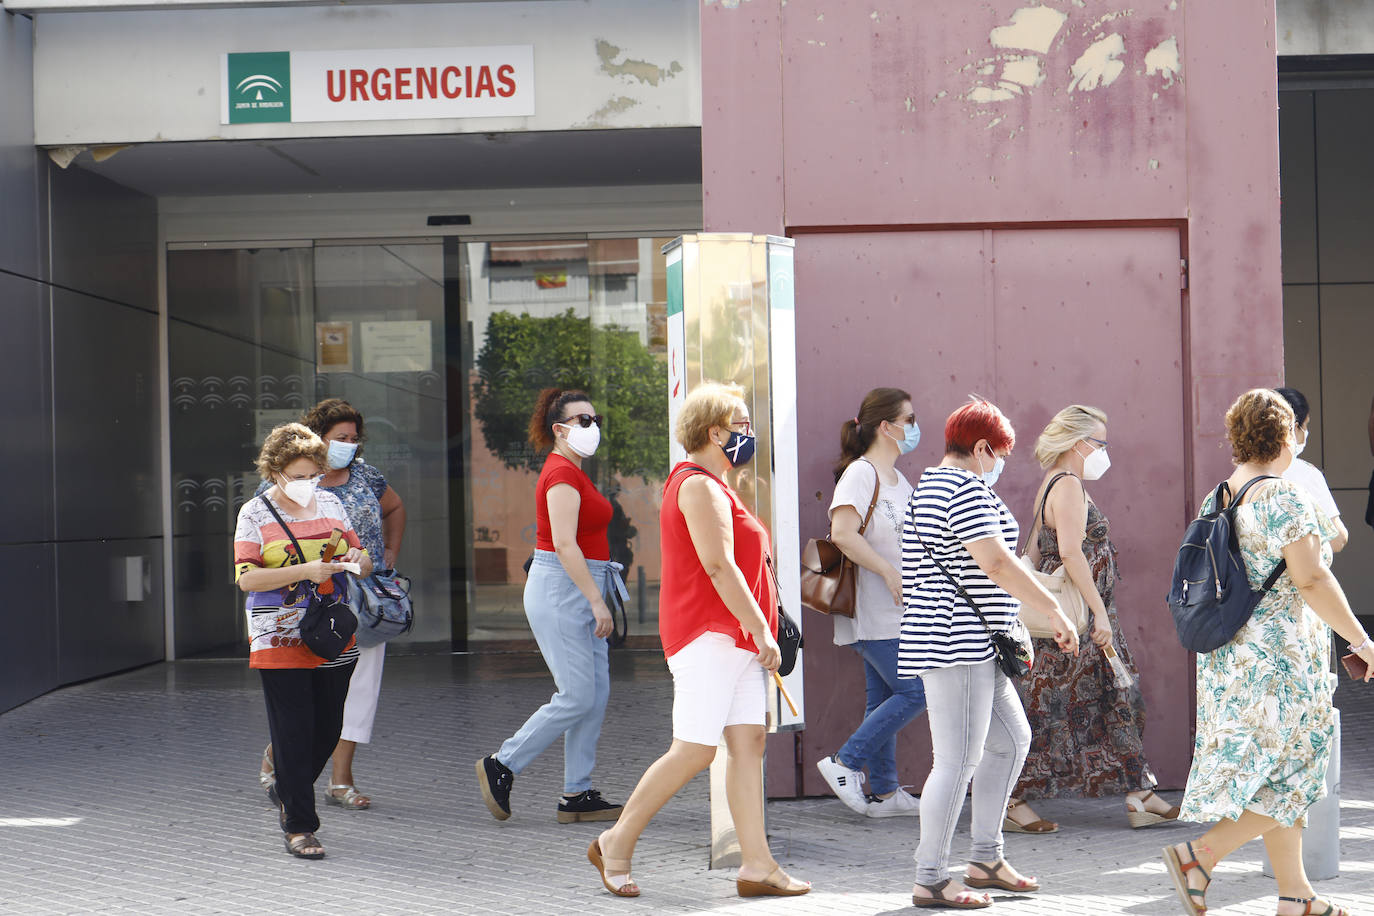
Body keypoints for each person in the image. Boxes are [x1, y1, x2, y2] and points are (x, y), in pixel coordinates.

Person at [587, 382, 809, 898]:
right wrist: (761, 627)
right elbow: (718, 565)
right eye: (742, 425)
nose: (749, 434)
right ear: (715, 432)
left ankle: (758, 865)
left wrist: (756, 630)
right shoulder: (697, 485)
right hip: (709, 636)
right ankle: (616, 842)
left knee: (748, 744)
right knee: (694, 750)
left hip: (732, 639)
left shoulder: (715, 485)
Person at [1163, 389, 1374, 916]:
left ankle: (1296, 894)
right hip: (1279, 659)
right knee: (1297, 770)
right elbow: (1311, 577)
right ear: (1287, 433)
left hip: (1230, 656)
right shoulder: (1283, 496)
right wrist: (1361, 637)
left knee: (1279, 773)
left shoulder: (1222, 495)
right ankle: (1199, 856)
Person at [902, 397, 1079, 909]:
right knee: (956, 761)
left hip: (962, 641)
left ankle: (985, 857)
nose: (1000, 463)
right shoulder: (963, 488)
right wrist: (1055, 611)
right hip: (960, 642)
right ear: (981, 448)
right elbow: (996, 564)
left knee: (1009, 741)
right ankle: (931, 876)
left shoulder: (929, 486)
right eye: (999, 453)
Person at [1005, 406, 1177, 834]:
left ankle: (1140, 793)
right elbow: (1069, 552)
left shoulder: (1057, 484)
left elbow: (1034, 549)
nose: (1103, 451)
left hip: (1081, 619)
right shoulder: (1066, 485)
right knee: (1052, 711)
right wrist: (1098, 614)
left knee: (1118, 700)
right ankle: (1011, 799)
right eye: (1099, 443)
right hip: (1079, 622)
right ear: (1077, 443)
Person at [476, 388, 625, 824]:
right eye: (582, 421)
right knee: (577, 694)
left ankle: (576, 794)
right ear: (558, 429)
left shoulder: (575, 471)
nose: (592, 427)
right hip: (563, 588)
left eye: (595, 420)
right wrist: (597, 601)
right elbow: (563, 544)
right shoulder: (561, 474)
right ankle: (502, 763)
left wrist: (597, 595)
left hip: (580, 583)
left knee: (594, 695)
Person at [258, 398, 407, 811]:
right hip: (306, 601)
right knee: (310, 694)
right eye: (340, 438)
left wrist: (389, 550)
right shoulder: (290, 485)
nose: (349, 445)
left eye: (354, 438)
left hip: (362, 597)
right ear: (316, 439)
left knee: (360, 690)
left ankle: (341, 781)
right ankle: (280, 755)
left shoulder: (367, 477)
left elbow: (394, 507)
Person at [233, 422, 373, 859]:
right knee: (293, 730)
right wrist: (304, 571)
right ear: (274, 472)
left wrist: (356, 559)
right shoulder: (254, 513)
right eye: (297, 476)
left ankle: (286, 787)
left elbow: (365, 561)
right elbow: (247, 578)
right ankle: (300, 825)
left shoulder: (331, 503)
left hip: (329, 632)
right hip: (277, 633)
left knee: (329, 726)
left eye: (312, 475)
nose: (307, 484)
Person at [815, 387, 927, 818]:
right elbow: (843, 533)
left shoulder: (901, 480)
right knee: (917, 692)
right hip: (871, 612)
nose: (916, 428)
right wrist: (887, 570)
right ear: (887, 426)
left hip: (901, 612)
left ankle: (883, 791)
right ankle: (845, 763)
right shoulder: (862, 474)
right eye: (910, 420)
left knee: (882, 701)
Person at [1276, 387, 1348, 553]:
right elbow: (1338, 538)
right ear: (1293, 427)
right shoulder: (1305, 473)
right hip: (1298, 575)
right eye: (1305, 425)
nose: (1306, 433)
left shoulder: (1240, 475)